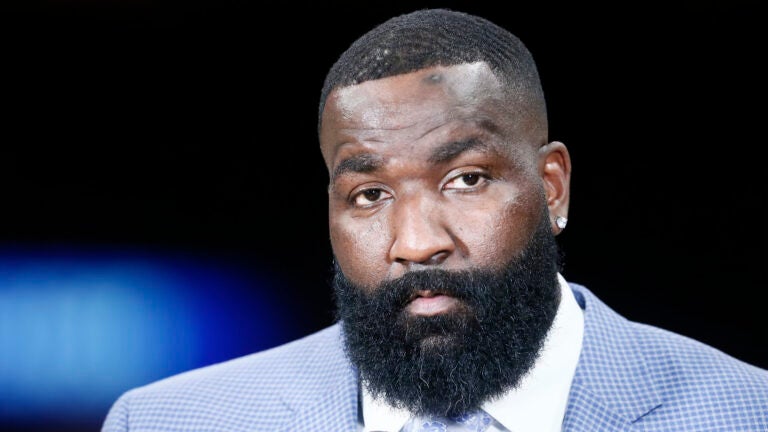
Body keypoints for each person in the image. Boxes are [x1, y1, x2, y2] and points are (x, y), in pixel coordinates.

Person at [101, 8, 768, 432]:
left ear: (552, 186)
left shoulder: (746, 413)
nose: (416, 243)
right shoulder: (168, 422)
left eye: (466, 179)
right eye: (369, 194)